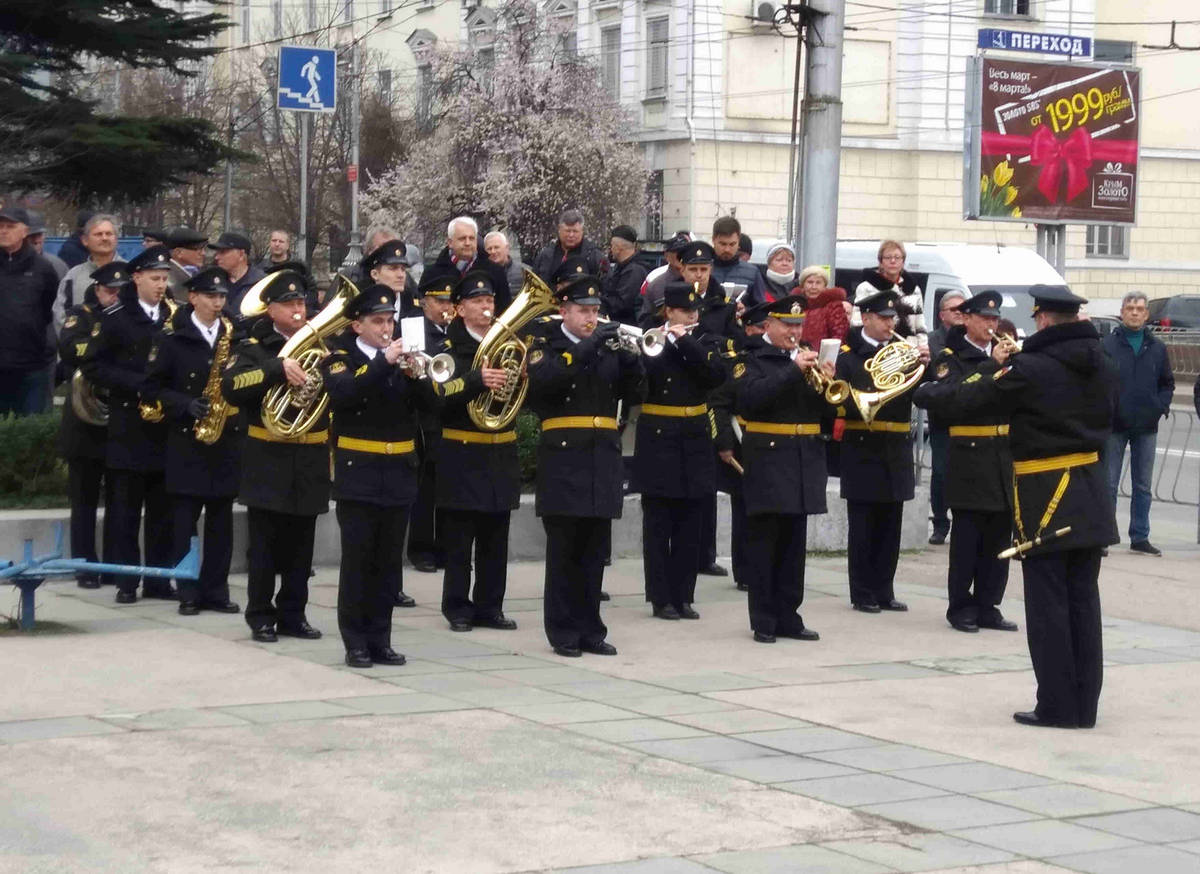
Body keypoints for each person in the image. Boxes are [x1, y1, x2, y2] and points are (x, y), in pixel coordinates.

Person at [918, 285, 1117, 729]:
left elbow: (970, 398)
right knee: (1084, 602)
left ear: (1044, 319)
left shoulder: (1033, 366)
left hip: (1045, 493)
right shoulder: (1103, 360)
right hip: (1089, 489)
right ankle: (1085, 705)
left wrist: (929, 389)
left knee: (1048, 606)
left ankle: (1057, 706)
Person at [527, 274, 645, 657]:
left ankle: (591, 629)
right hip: (564, 457)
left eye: (595, 311)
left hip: (602, 456)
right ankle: (562, 631)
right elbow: (545, 383)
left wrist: (632, 363)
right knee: (564, 552)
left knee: (595, 553)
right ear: (564, 311)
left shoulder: (608, 346)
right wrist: (589, 346)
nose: (591, 318)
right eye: (583, 311)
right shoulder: (546, 344)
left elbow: (636, 394)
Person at [321, 285, 434, 668]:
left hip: (399, 473)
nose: (387, 328)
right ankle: (355, 641)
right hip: (359, 473)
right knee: (358, 563)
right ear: (357, 325)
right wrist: (384, 362)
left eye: (390, 321)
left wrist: (418, 375)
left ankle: (380, 639)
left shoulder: (403, 361)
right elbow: (345, 393)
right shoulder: (341, 358)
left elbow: (436, 406)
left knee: (388, 565)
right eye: (377, 321)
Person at [221, 268, 330, 643]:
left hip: (310, 456)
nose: (299, 310)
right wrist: (275, 369)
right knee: (265, 545)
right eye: (290, 304)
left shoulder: (323, 347)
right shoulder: (254, 347)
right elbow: (231, 386)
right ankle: (260, 615)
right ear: (272, 311)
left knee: (302, 547)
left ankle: (294, 613)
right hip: (268, 457)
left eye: (302, 303)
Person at [913, 291, 1018, 633]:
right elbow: (953, 397)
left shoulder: (1010, 354)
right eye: (985, 319)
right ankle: (961, 606)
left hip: (1003, 456)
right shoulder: (950, 357)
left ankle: (989, 604)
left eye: (994, 319)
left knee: (998, 538)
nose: (991, 325)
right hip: (970, 455)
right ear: (967, 319)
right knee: (968, 539)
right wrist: (991, 367)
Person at [80, 245, 177, 603]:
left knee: (162, 510)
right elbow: (93, 365)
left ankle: (158, 579)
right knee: (125, 509)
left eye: (165, 279)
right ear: (136, 279)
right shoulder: (117, 317)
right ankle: (126, 580)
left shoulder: (173, 316)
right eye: (154, 278)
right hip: (129, 422)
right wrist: (134, 383)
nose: (161, 285)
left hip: (164, 424)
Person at [144, 266, 243, 616]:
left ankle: (216, 590)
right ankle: (187, 590)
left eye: (222, 297)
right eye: (211, 296)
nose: (218, 303)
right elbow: (152, 386)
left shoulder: (235, 335)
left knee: (221, 524)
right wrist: (185, 405)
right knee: (183, 523)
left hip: (224, 441)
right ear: (193, 298)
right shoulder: (172, 337)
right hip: (188, 440)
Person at [430, 269, 522, 632]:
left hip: (500, 452)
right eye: (477, 301)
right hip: (462, 453)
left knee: (495, 539)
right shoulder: (448, 349)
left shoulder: (506, 344)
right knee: (459, 540)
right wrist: (475, 380)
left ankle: (490, 606)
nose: (486, 307)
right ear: (459, 309)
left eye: (490, 301)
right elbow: (436, 397)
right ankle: (457, 607)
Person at [734, 295, 829, 643]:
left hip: (803, 459)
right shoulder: (751, 359)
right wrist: (793, 371)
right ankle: (763, 618)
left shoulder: (806, 360)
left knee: (793, 545)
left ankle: (789, 614)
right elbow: (750, 399)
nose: (794, 331)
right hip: (769, 460)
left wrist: (825, 383)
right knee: (765, 544)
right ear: (768, 326)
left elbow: (829, 412)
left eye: (798, 325)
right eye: (787, 325)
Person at [634, 279, 725, 620]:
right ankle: (660, 598)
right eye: (684, 311)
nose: (690, 316)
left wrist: (685, 340)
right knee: (658, 524)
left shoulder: (705, 339)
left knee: (691, 523)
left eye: (693, 311)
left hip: (695, 436)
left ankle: (683, 595)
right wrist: (665, 339)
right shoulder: (650, 340)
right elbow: (641, 379)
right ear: (669, 311)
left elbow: (716, 374)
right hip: (658, 437)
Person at [836, 287, 930, 614]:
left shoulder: (903, 351)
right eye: (884, 318)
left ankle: (884, 589)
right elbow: (841, 396)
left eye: (893, 318)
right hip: (863, 445)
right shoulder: (848, 353)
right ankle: (861, 591)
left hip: (897, 445)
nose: (891, 324)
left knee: (891, 525)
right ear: (866, 318)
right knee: (863, 525)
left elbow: (918, 393)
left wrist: (925, 367)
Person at [57, 263, 125, 588]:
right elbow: (70, 349)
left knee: (119, 500)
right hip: (84, 423)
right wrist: (105, 346)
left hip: (119, 422)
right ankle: (84, 565)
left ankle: (114, 566)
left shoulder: (129, 317)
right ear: (97, 289)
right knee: (83, 500)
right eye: (110, 290)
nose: (115, 295)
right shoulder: (80, 315)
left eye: (120, 290)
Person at [1101, 290, 1174, 557]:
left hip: (1146, 426)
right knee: (1108, 484)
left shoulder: (1157, 347)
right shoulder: (1107, 345)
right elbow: (1097, 382)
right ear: (1122, 312)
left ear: (1146, 314)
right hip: (1114, 426)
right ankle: (1104, 537)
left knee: (1142, 485)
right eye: (1129, 307)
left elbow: (1167, 383)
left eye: (1139, 308)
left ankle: (1140, 536)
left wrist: (1159, 407)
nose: (1134, 312)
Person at [405, 267, 458, 577]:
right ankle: (422, 548)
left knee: (450, 485)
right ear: (424, 302)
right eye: (440, 302)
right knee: (426, 487)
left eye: (450, 302)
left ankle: (445, 547)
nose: (446, 308)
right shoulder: (415, 329)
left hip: (452, 413)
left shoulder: (455, 330)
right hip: (426, 416)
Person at [0, 205, 59, 415]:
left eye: (10, 226)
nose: (3, 231)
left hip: (31, 365)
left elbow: (47, 308)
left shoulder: (42, 268)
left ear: (24, 231)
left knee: (30, 429)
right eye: (0, 226)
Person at [925, 289, 968, 545]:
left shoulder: (970, 337)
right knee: (941, 471)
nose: (960, 314)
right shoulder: (934, 340)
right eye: (954, 310)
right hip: (943, 416)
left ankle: (962, 519)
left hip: (968, 416)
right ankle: (940, 522)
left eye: (963, 309)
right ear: (942, 315)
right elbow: (940, 370)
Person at [430, 216, 512, 314]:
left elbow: (505, 310)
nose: (468, 243)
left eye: (472, 238)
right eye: (462, 239)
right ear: (450, 242)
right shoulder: (433, 274)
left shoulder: (495, 272)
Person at [54, 213, 120, 333]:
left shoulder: (132, 273)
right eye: (98, 234)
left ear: (116, 239)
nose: (104, 238)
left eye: (109, 234)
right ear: (85, 240)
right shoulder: (73, 276)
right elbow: (60, 316)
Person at [854, 240, 926, 342]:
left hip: (908, 348)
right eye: (888, 257)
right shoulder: (867, 287)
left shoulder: (914, 289)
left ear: (903, 262)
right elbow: (857, 321)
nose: (893, 261)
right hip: (879, 348)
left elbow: (920, 323)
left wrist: (923, 346)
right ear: (881, 262)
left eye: (897, 257)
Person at [531, 208, 606, 285]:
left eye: (575, 231)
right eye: (567, 231)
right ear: (559, 229)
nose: (571, 235)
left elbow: (606, 286)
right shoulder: (546, 255)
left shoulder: (594, 256)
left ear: (582, 231)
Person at [710, 216, 767, 305]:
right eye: (722, 244)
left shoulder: (752, 272)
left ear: (738, 241)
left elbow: (760, 309)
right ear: (713, 240)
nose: (727, 249)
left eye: (732, 244)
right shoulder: (702, 269)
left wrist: (745, 311)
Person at [208, 231, 264, 315]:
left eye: (223, 252)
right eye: (217, 252)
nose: (217, 257)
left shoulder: (261, 283)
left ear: (241, 255)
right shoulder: (212, 281)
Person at [361, 238, 419, 319]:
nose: (401, 275)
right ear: (375, 274)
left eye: (403, 269)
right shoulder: (364, 307)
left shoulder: (415, 305)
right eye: (393, 268)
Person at [602, 225, 647, 326]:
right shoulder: (621, 267)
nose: (611, 249)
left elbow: (621, 304)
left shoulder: (634, 271)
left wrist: (601, 302)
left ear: (619, 248)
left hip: (628, 327)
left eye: (612, 246)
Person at [796, 265, 850, 345]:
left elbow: (839, 336)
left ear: (824, 286)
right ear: (803, 286)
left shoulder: (833, 306)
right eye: (810, 282)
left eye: (818, 283)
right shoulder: (795, 305)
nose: (813, 287)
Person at [164, 226, 208, 303]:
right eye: (198, 249)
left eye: (204, 249)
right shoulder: (168, 278)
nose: (203, 253)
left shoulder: (196, 273)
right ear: (178, 252)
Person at [24, 211, 68, 280]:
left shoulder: (57, 265)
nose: (36, 240)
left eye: (40, 235)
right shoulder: (7, 265)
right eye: (32, 235)